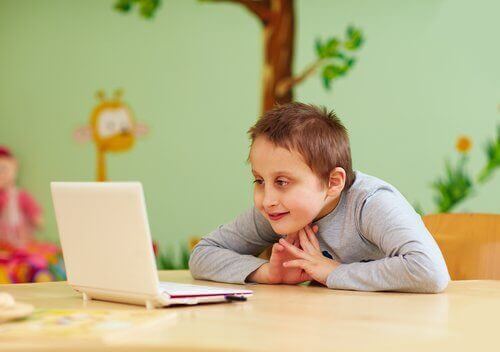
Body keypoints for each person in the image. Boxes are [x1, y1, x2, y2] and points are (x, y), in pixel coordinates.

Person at [189, 103, 449, 293]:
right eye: (259, 180)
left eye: (282, 182)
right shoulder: (276, 209)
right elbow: (203, 254)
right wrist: (268, 272)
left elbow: (430, 271)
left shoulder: (371, 204)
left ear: (333, 183)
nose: (267, 199)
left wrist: (334, 272)